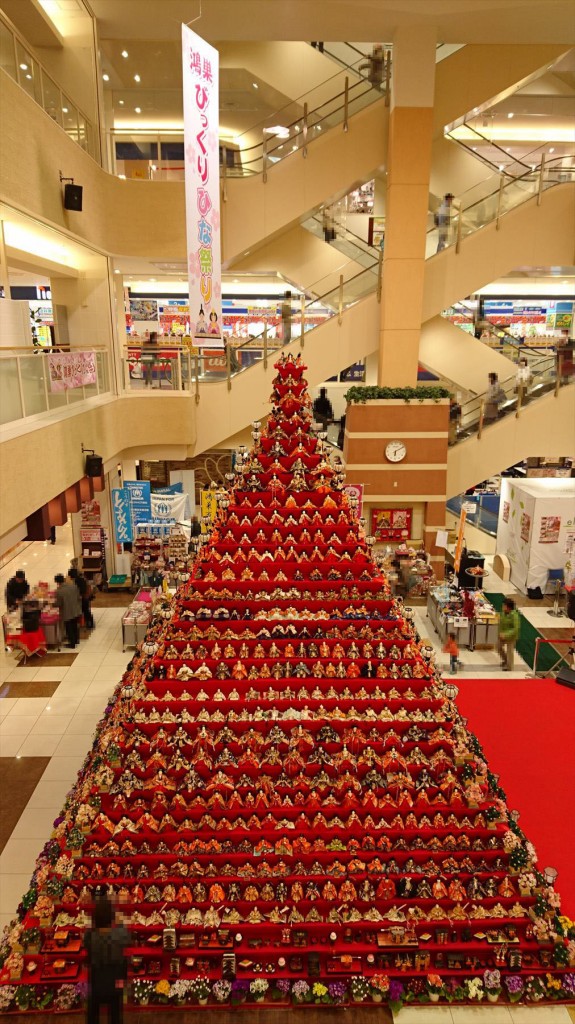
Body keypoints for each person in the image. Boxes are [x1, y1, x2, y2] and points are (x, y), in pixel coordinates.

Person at [84, 893, 130, 1024]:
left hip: (96, 982)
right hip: (115, 982)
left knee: (93, 1014)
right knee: (115, 1014)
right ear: (111, 918)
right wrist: (120, 920)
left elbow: (86, 939)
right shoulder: (119, 935)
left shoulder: (91, 937)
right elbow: (127, 936)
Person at [54, 572, 82, 648]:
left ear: (57, 582)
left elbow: (59, 603)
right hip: (76, 609)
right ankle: (76, 640)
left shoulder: (59, 591)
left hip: (67, 611)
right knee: (75, 625)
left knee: (69, 627)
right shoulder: (73, 586)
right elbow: (78, 597)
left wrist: (52, 604)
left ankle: (72, 643)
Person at [498, 597, 521, 671]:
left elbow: (515, 629)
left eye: (504, 606)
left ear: (508, 607)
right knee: (498, 647)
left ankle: (509, 667)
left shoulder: (514, 616)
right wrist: (500, 633)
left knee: (509, 651)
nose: (502, 607)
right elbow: (501, 624)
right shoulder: (503, 613)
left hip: (511, 637)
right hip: (502, 635)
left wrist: (506, 634)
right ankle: (505, 660)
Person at [69, 566, 95, 630]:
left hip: (83, 598)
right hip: (85, 597)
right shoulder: (81, 578)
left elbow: (82, 590)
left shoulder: (78, 580)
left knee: (85, 611)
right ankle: (89, 623)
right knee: (86, 611)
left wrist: (78, 595)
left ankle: (90, 623)